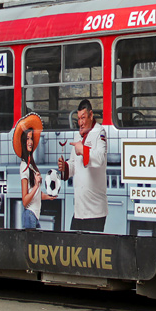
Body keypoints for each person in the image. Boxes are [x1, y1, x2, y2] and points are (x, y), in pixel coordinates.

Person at [57, 99, 108, 232]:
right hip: (79, 210)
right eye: (79, 118)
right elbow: (74, 165)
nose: (80, 122)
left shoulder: (100, 132)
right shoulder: (77, 136)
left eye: (83, 118)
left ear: (91, 115)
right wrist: (65, 167)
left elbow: (100, 158)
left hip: (95, 211)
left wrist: (83, 150)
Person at [20, 126, 55, 229]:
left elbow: (35, 194)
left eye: (31, 138)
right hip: (30, 215)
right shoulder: (24, 166)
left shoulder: (30, 164)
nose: (30, 142)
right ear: (23, 142)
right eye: (27, 139)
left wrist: (48, 196)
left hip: (34, 215)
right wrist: (36, 185)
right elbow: (25, 201)